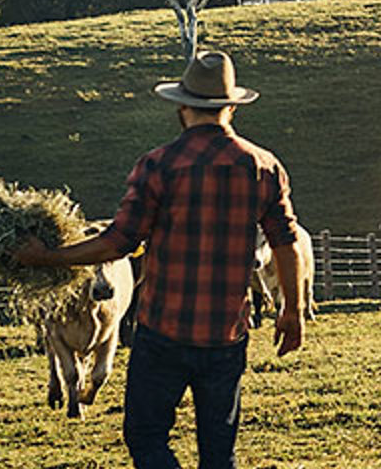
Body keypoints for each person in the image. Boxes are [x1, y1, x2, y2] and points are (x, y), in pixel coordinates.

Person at [18, 50, 303, 469]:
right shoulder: (262, 166)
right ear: (230, 107)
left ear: (183, 107)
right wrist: (292, 310)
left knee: (146, 438)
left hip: (164, 332)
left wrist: (48, 258)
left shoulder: (158, 165)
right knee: (218, 453)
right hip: (225, 334)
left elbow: (118, 243)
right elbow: (287, 243)